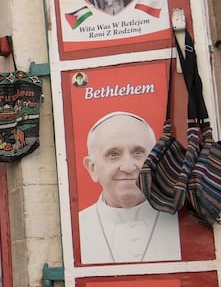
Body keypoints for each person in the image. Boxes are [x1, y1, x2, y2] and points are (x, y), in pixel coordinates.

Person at [76, 111, 182, 264]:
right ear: (93, 168)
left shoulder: (182, 221)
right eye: (113, 154)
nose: (128, 167)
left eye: (138, 152)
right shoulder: (77, 230)